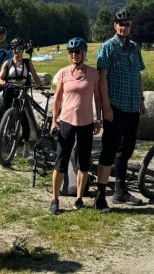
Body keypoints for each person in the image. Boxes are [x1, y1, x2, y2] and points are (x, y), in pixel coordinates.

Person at [94, 8, 145, 211]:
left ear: (131, 27)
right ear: (115, 26)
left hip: (132, 105)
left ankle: (120, 191)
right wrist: (105, 105)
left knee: (127, 149)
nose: (124, 28)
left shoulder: (135, 48)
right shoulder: (107, 48)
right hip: (115, 106)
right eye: (121, 24)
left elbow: (138, 76)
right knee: (109, 149)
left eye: (127, 25)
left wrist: (141, 100)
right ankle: (100, 196)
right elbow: (102, 78)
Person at [48, 37, 102, 214]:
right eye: (71, 52)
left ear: (83, 53)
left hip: (86, 123)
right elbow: (57, 100)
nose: (73, 55)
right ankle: (55, 199)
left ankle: (79, 198)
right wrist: (54, 120)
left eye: (77, 52)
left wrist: (98, 119)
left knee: (84, 162)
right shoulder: (63, 73)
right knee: (61, 160)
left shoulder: (93, 74)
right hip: (66, 122)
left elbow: (98, 98)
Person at [0, 39, 42, 151]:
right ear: (12, 50)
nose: (17, 51)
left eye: (19, 48)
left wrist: (41, 88)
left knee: (24, 118)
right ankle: (7, 137)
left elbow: (36, 77)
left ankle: (26, 142)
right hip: (10, 90)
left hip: (22, 91)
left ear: (22, 50)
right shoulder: (7, 63)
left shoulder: (27, 63)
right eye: (15, 48)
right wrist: (4, 83)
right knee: (7, 115)